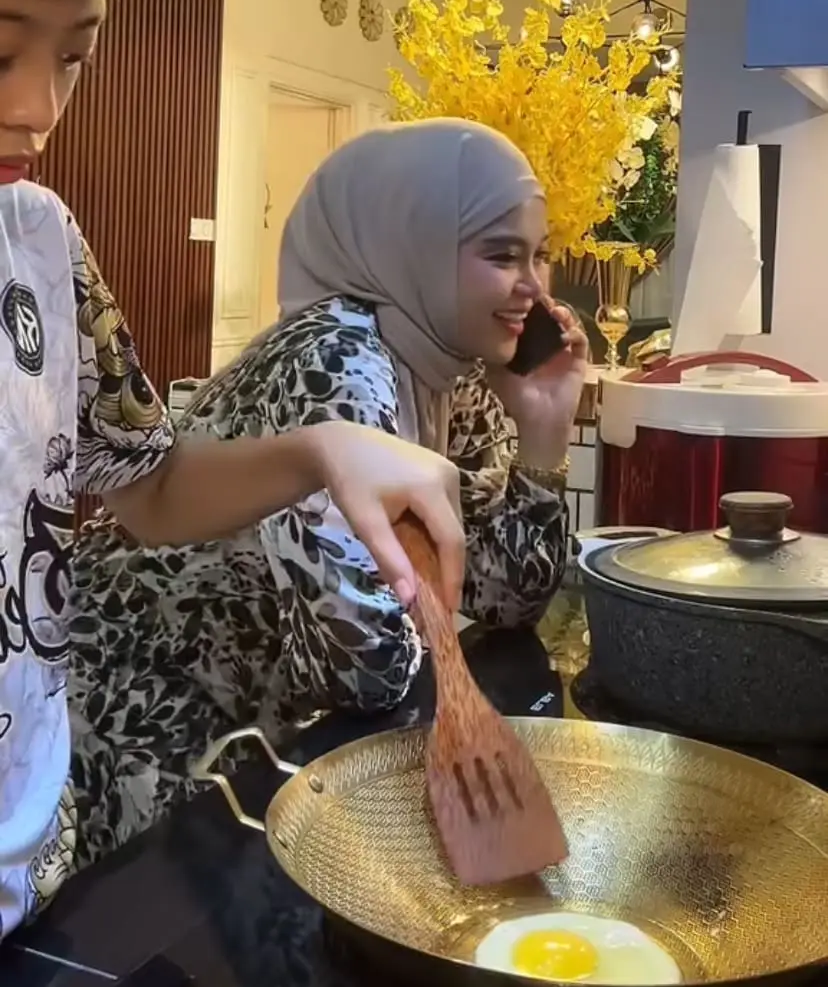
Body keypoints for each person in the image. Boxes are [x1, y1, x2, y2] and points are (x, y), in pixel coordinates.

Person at [0, 0, 466, 943]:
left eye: (77, 55)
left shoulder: (39, 243)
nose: (38, 108)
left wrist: (322, 451)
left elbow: (146, 488)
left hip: (25, 857)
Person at [70, 119, 589, 869]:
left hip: (241, 721)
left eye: (539, 255)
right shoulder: (334, 360)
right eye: (501, 255)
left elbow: (509, 600)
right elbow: (364, 668)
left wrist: (542, 432)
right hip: (133, 710)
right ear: (410, 243)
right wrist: (424, 609)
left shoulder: (452, 371)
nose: (534, 287)